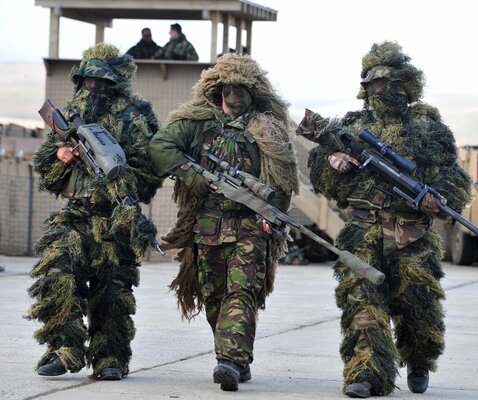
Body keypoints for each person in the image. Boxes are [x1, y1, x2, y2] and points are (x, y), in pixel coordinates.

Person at [296, 41, 471, 398]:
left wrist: (441, 197)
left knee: (418, 306)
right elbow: (318, 173)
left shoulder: (427, 129)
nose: (377, 91)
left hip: (411, 234)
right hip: (361, 231)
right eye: (371, 84)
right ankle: (366, 373)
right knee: (361, 302)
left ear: (403, 84)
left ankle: (419, 359)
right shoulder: (352, 126)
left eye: (384, 83)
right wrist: (333, 164)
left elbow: (454, 177)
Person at [148, 53, 298, 391]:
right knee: (213, 295)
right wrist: (193, 176)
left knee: (241, 292)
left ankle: (229, 361)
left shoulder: (267, 129)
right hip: (207, 225)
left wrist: (272, 218)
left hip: (249, 225)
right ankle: (237, 354)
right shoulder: (199, 122)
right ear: (217, 92)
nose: (233, 101)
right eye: (228, 94)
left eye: (241, 94)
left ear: (253, 94)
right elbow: (160, 146)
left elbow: (282, 180)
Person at [27, 43, 162, 380]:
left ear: (116, 81)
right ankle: (63, 347)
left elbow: (149, 172)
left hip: (116, 214)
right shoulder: (73, 113)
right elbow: (43, 165)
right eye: (88, 80)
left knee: (112, 289)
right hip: (76, 213)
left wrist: (117, 174)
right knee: (58, 269)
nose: (94, 87)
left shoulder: (135, 116)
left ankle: (110, 358)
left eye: (101, 81)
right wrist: (61, 156)